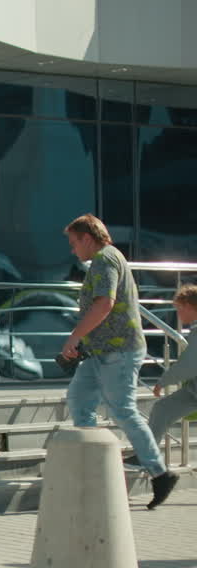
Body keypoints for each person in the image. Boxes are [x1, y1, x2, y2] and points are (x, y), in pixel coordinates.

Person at [60, 213, 178, 509]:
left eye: (75, 243)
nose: (73, 250)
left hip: (119, 351)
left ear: (88, 238)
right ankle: (93, 469)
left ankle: (160, 474)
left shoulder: (104, 259)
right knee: (79, 400)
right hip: (100, 352)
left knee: (122, 409)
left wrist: (75, 336)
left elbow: (105, 302)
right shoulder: (107, 259)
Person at [123, 285, 197, 508]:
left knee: (163, 409)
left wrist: (164, 381)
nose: (178, 314)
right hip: (193, 391)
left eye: (180, 309)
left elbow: (190, 365)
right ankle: (145, 455)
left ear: (190, 306)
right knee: (162, 409)